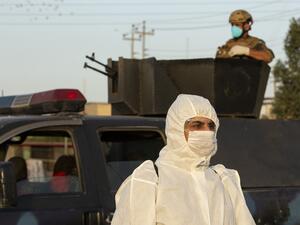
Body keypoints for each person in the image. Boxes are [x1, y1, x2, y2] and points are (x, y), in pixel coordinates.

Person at [111, 94, 255, 225]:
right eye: (196, 125)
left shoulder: (224, 181)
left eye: (211, 126)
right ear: (176, 129)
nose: (206, 131)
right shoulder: (150, 181)